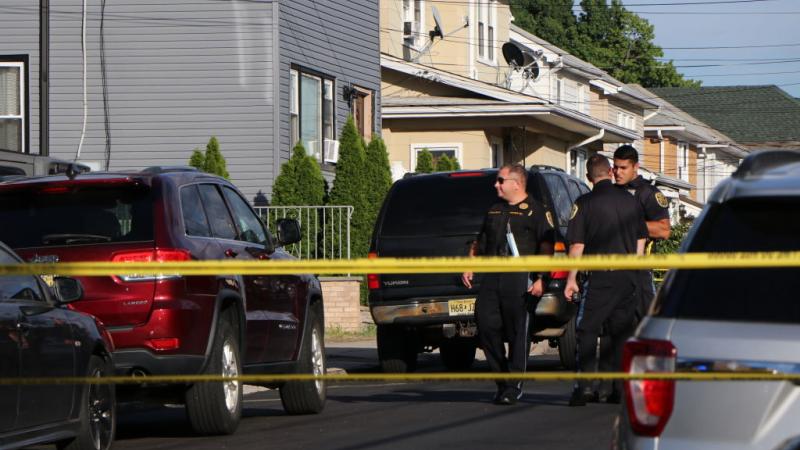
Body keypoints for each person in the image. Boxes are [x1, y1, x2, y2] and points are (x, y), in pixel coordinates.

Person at [462, 164, 554, 405]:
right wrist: (470, 264)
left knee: (517, 333)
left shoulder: (536, 211)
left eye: (500, 181)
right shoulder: (494, 210)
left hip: (520, 279)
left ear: (516, 183)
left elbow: (547, 248)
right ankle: (501, 378)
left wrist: (541, 278)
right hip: (493, 276)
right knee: (485, 324)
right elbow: (480, 240)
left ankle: (513, 386)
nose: (496, 185)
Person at [564, 155, 647, 407]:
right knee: (620, 334)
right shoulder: (631, 202)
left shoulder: (584, 203)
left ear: (589, 177)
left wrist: (571, 279)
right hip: (627, 276)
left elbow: (577, 244)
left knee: (587, 330)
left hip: (600, 277)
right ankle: (617, 390)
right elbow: (640, 241)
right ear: (610, 172)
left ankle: (585, 387)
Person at [612, 144, 671, 319]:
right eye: (615, 167)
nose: (618, 172)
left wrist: (628, 225)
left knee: (646, 324)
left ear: (635, 167)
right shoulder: (610, 192)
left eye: (623, 168)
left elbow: (664, 230)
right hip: (610, 269)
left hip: (640, 271)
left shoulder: (648, 193)